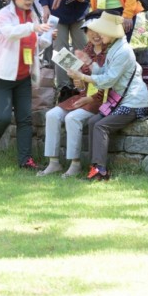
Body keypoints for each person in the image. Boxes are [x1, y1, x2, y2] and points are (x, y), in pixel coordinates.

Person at [0, 0, 51, 170]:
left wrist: (47, 37)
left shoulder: (33, 15)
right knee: (2, 117)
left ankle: (25, 160)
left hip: (23, 75)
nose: (30, 0)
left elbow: (34, 43)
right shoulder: (4, 14)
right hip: (2, 75)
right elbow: (10, 33)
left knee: (25, 119)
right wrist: (33, 27)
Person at [72, 12, 148, 181]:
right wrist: (89, 63)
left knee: (101, 126)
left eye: (102, 31)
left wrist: (83, 77)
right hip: (120, 101)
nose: (99, 35)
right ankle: (94, 167)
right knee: (93, 122)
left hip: (134, 103)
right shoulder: (114, 47)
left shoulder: (123, 51)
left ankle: (100, 170)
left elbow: (108, 80)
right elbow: (104, 72)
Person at [39, 10, 106, 178]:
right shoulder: (87, 50)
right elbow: (82, 83)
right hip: (84, 96)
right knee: (52, 115)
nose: (95, 35)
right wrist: (78, 81)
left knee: (72, 118)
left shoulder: (110, 52)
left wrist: (86, 89)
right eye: (90, 31)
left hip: (101, 99)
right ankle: (53, 162)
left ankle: (75, 164)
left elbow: (108, 84)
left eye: (98, 30)